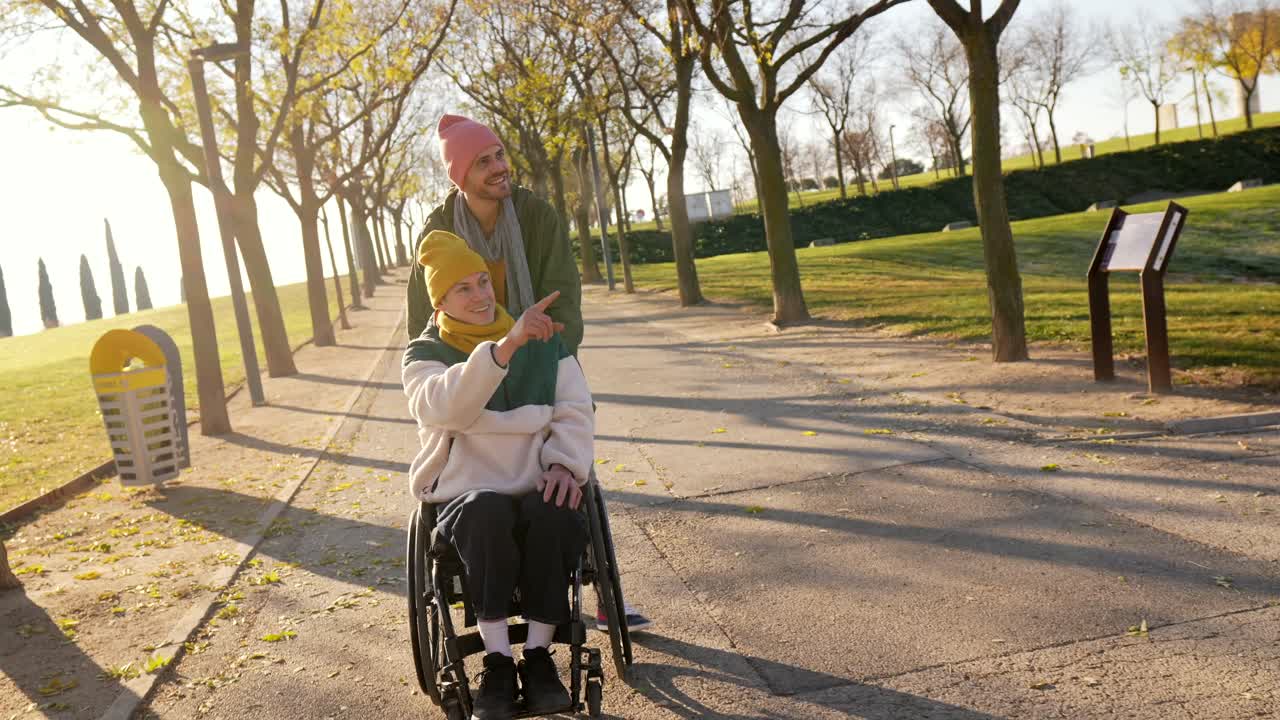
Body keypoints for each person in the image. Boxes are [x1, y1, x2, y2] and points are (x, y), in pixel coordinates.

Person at [408, 113, 653, 635]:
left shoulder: (537, 216)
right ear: (460, 175)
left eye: (500, 154)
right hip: (467, 366)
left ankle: (605, 588)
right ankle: (486, 589)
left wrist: (549, 357)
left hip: (541, 353)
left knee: (574, 455)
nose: (500, 167)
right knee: (476, 468)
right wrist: (453, 370)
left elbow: (564, 292)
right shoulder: (438, 230)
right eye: (484, 162)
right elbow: (422, 318)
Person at [404, 230, 592, 719]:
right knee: (484, 511)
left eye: (483, 281)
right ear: (440, 301)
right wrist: (506, 346)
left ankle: (537, 654)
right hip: (466, 494)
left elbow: (574, 410)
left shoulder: (546, 341)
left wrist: (565, 466)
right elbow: (450, 406)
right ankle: (498, 661)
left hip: (535, 481)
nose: (481, 295)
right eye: (463, 288)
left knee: (557, 509)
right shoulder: (423, 356)